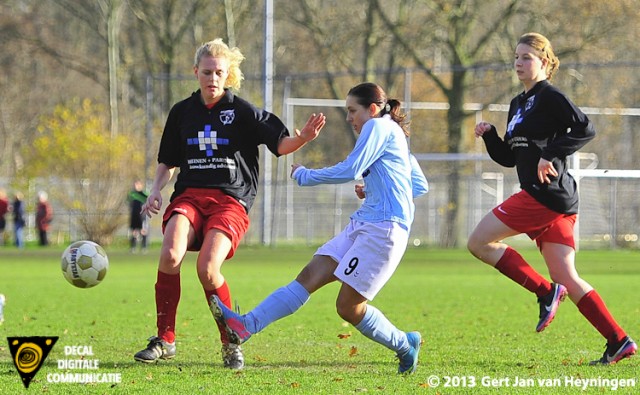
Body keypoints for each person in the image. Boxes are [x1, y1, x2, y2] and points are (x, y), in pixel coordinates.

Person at [133, 38, 326, 370]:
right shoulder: (182, 112)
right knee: (169, 254)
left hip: (230, 201)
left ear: (228, 74)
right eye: (206, 72)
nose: (212, 79)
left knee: (208, 269)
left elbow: (280, 145)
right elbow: (168, 163)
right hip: (190, 196)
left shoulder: (243, 111)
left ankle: (230, 342)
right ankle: (165, 339)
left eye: (218, 72)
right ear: (196, 72)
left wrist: (303, 138)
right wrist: (154, 191)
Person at [210, 82, 429, 374]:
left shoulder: (377, 128)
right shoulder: (395, 135)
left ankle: (404, 343)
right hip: (366, 223)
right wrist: (376, 188)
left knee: (348, 308)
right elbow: (419, 185)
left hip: (383, 231)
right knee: (310, 274)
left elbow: (351, 169)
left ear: (372, 109)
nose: (349, 118)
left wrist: (305, 175)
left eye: (353, 111)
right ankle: (245, 325)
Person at [467, 32, 636, 365]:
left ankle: (545, 293)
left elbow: (585, 129)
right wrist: (489, 137)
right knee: (567, 277)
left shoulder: (550, 96)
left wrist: (551, 153)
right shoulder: (518, 103)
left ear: (545, 62)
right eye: (516, 56)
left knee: (478, 242)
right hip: (552, 199)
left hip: (546, 194)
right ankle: (618, 341)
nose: (519, 62)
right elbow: (509, 157)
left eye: (527, 57)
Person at [128, 180, 149, 253]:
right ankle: (133, 248)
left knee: (143, 231)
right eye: (134, 184)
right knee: (134, 231)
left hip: (142, 215)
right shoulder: (132, 194)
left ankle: (144, 247)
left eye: (137, 184)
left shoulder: (144, 194)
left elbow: (148, 200)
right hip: (134, 215)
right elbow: (128, 202)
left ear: (140, 185)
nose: (135, 186)